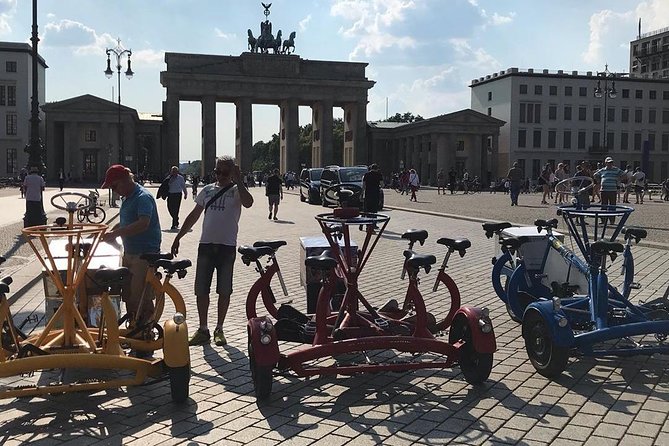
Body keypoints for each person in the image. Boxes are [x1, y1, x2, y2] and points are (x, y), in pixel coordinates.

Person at [171, 156, 253, 347]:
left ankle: (219, 328)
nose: (221, 176)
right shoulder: (207, 190)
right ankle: (203, 328)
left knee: (224, 290)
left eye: (225, 172)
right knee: (201, 290)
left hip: (226, 247)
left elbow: (249, 203)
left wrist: (239, 179)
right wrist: (178, 236)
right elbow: (194, 215)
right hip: (206, 245)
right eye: (218, 172)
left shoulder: (236, 191)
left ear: (232, 172)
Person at [100, 165, 161, 332]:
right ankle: (134, 327)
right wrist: (111, 232)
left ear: (127, 180)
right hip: (130, 251)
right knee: (129, 294)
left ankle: (145, 331)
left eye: (115, 186)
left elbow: (143, 223)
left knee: (140, 295)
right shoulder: (127, 198)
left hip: (144, 254)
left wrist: (116, 233)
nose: (114, 191)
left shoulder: (142, 197)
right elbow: (127, 221)